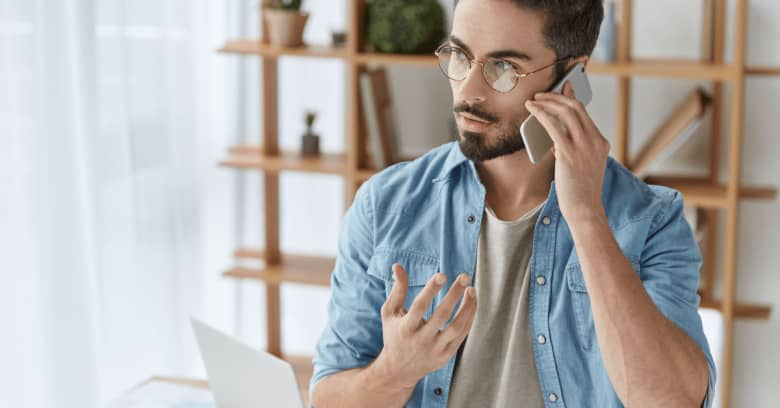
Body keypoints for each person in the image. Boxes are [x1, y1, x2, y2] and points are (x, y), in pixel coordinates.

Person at [310, 1, 716, 406]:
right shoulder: (384, 205)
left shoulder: (651, 221)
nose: (468, 90)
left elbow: (673, 400)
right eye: (460, 56)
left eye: (502, 68)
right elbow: (325, 399)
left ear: (571, 76)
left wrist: (587, 217)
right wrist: (393, 373)